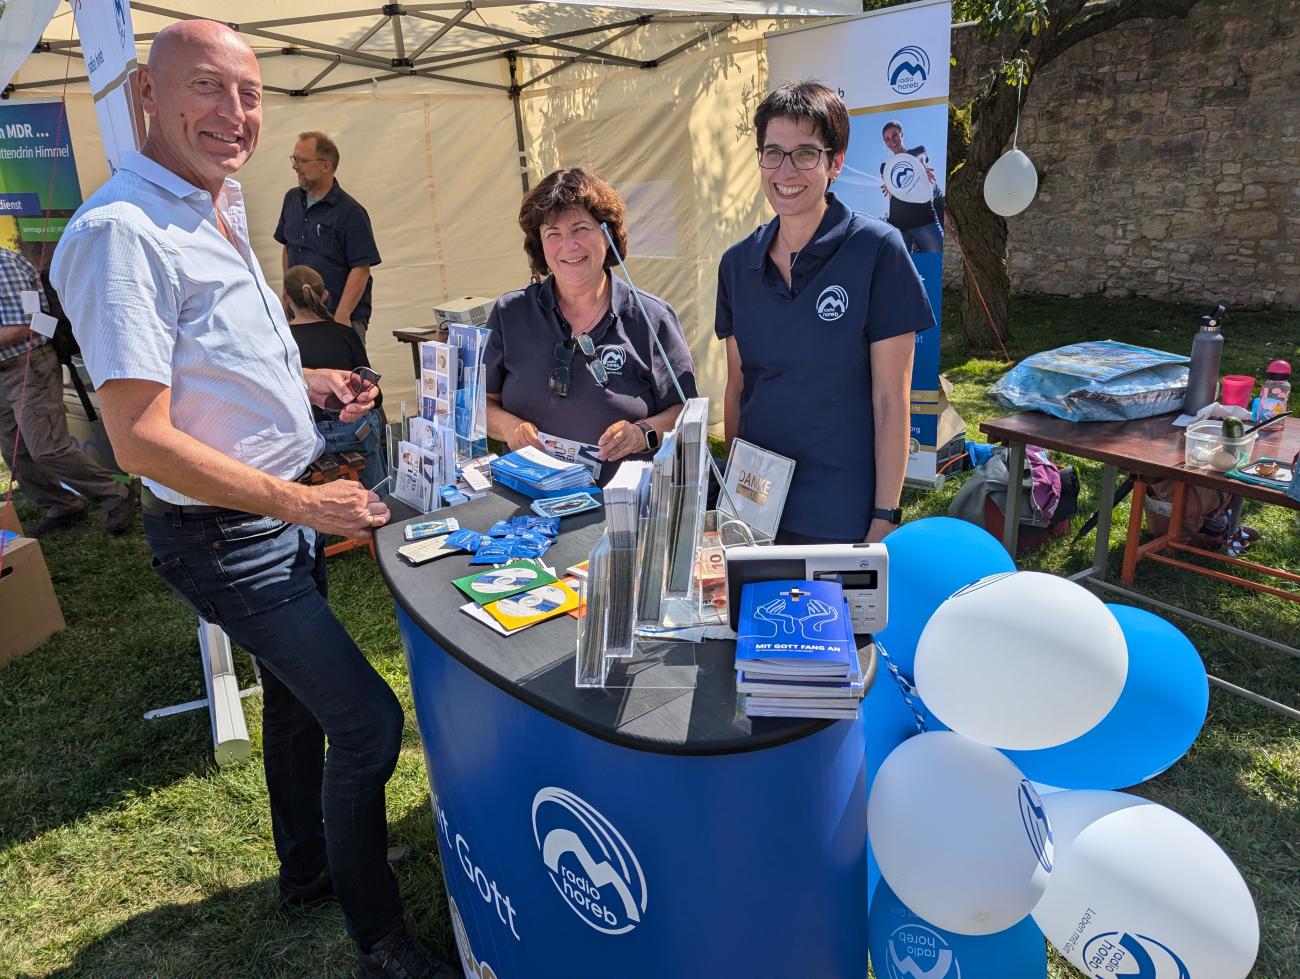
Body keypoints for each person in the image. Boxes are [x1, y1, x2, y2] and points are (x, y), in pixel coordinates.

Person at [50, 21, 456, 978]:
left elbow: (213, 363)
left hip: (275, 512)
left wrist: (309, 392)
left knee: (297, 707)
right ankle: (381, 940)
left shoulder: (215, 200)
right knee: (368, 723)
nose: (235, 115)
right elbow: (138, 437)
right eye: (208, 89)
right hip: (226, 534)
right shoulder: (122, 232)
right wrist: (306, 504)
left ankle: (309, 871)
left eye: (249, 93)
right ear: (148, 94)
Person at [716, 82, 934, 545]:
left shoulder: (877, 250)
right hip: (756, 502)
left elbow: (891, 400)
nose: (785, 170)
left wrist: (884, 515)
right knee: (750, 617)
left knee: (830, 618)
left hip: (840, 505)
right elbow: (737, 387)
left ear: (834, 163)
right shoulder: (737, 263)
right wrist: (732, 498)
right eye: (772, 152)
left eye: (805, 154)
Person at [484, 167, 696, 479]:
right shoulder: (510, 312)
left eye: (580, 229)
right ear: (540, 245)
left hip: (624, 508)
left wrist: (643, 433)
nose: (568, 246)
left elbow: (687, 415)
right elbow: (479, 405)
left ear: (607, 234)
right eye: (553, 234)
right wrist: (510, 428)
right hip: (528, 504)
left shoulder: (652, 318)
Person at [0, 245, 137, 537]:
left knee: (47, 449)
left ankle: (117, 494)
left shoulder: (5, 266)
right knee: (16, 453)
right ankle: (62, 505)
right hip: (5, 371)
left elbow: (35, 325)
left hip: (26, 366)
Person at [284, 264, 387, 490]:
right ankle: (381, 493)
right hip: (352, 431)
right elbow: (374, 395)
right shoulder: (344, 333)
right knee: (373, 415)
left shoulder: (280, 340)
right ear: (325, 295)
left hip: (308, 436)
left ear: (285, 299)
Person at [274, 131, 381, 344]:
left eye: (302, 161)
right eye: (294, 159)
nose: (295, 166)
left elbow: (360, 270)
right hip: (299, 314)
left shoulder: (351, 213)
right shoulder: (291, 199)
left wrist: (342, 317)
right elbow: (288, 248)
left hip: (337, 315)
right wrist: (288, 295)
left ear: (326, 165)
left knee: (343, 375)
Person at [879, 119, 944, 253]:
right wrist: (888, 185)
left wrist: (921, 164)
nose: (891, 141)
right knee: (899, 270)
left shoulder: (917, 151)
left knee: (937, 261)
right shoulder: (885, 167)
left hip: (924, 218)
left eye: (895, 135)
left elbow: (922, 157)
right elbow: (890, 186)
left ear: (902, 134)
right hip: (898, 226)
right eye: (887, 139)